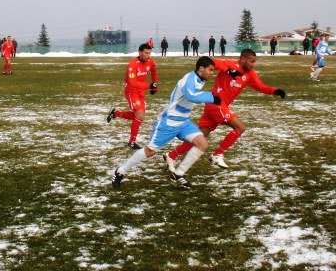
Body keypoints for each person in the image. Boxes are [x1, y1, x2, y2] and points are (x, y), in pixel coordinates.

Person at [164, 49, 286, 171]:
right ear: (243, 59)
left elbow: (260, 86)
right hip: (216, 104)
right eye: (251, 61)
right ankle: (218, 155)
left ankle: (172, 155)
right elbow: (212, 62)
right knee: (240, 128)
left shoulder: (250, 74)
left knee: (200, 136)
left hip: (216, 107)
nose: (253, 64)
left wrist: (275, 91)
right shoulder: (231, 64)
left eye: (254, 62)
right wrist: (228, 70)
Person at [111, 56, 220, 189]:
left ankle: (178, 174)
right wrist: (212, 97)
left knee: (202, 144)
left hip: (184, 122)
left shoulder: (199, 78)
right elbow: (191, 95)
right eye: (210, 70)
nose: (212, 73)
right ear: (201, 68)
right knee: (150, 151)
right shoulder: (189, 79)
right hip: (169, 122)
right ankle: (120, 171)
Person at [107, 43, 158, 149]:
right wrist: (149, 85)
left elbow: (154, 71)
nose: (148, 55)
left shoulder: (150, 61)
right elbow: (132, 82)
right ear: (140, 52)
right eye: (146, 53)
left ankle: (116, 113)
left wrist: (155, 86)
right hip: (131, 90)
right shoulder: (132, 65)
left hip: (141, 91)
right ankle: (132, 142)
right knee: (139, 116)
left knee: (139, 116)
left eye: (149, 53)